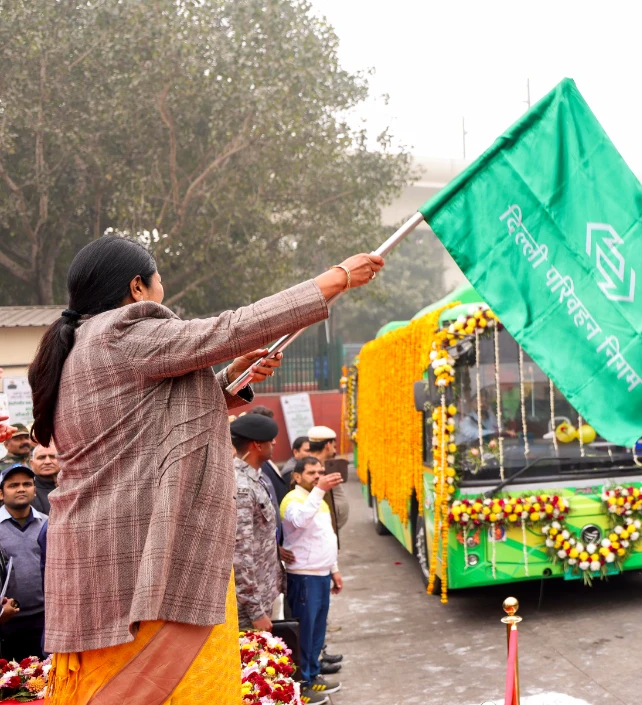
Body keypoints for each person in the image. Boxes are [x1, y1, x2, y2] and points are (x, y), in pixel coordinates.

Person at [26, 234, 381, 698]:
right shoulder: (123, 330)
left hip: (98, 559)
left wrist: (232, 377)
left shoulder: (81, 344)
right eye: (158, 282)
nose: (161, 293)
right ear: (136, 287)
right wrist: (335, 280)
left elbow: (151, 414)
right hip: (139, 558)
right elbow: (231, 328)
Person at [280, 456, 345, 700]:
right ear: (297, 477)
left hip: (321, 573)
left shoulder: (318, 499)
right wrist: (319, 491)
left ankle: (313, 674)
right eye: (311, 473)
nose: (317, 476)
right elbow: (300, 520)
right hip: (304, 576)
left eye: (320, 472)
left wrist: (334, 569)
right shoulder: (293, 499)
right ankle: (303, 682)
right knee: (304, 633)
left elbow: (325, 536)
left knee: (317, 630)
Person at [232, 414, 286, 631]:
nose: (274, 443)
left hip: (264, 592)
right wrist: (255, 611)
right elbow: (239, 554)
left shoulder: (257, 477)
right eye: (270, 440)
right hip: (249, 608)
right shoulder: (241, 487)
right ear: (257, 445)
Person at [0, 464, 47, 659]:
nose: (21, 489)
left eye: (27, 484)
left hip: (44, 618)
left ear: (35, 491)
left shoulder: (48, 523)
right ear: (1, 494)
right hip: (7, 621)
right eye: (13, 485)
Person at [306, 426, 350, 532]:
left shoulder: (317, 465)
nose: (335, 451)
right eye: (334, 447)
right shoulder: (313, 469)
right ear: (328, 445)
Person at [28, 443, 58, 516]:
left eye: (53, 457)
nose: (47, 462)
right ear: (32, 464)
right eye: (41, 457)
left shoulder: (73, 486)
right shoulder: (26, 490)